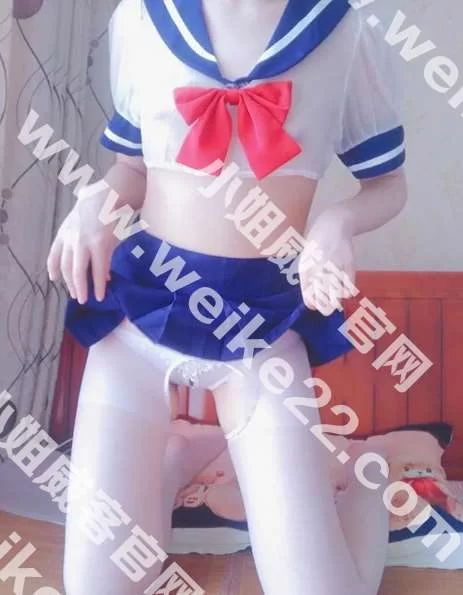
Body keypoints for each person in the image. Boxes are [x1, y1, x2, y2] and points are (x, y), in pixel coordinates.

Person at [48, 1, 408, 593]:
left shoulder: (347, 28)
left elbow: (388, 183)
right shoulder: (140, 17)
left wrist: (336, 223)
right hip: (141, 316)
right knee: (98, 588)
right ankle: (173, 463)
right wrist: (94, 203)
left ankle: (366, 484)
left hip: (261, 330)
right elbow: (131, 169)